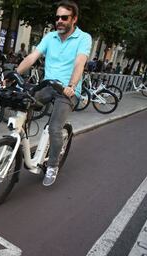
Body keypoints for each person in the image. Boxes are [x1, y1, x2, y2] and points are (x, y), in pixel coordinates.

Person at [9, 0, 92, 186]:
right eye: (57, 17)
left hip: (66, 90)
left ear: (74, 19)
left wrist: (71, 85)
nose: (59, 21)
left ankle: (53, 165)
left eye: (64, 17)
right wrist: (15, 73)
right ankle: (23, 140)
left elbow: (80, 62)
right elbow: (32, 57)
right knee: (24, 102)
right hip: (47, 85)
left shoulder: (84, 38)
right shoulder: (50, 37)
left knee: (55, 128)